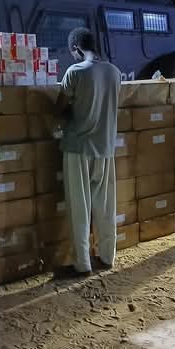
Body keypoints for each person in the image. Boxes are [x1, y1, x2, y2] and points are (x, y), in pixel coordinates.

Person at [56, 28, 121, 277]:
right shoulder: (114, 72)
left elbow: (60, 107)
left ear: (76, 48)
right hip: (105, 148)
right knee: (105, 205)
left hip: (78, 148)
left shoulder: (75, 72)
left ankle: (82, 264)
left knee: (79, 207)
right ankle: (107, 256)